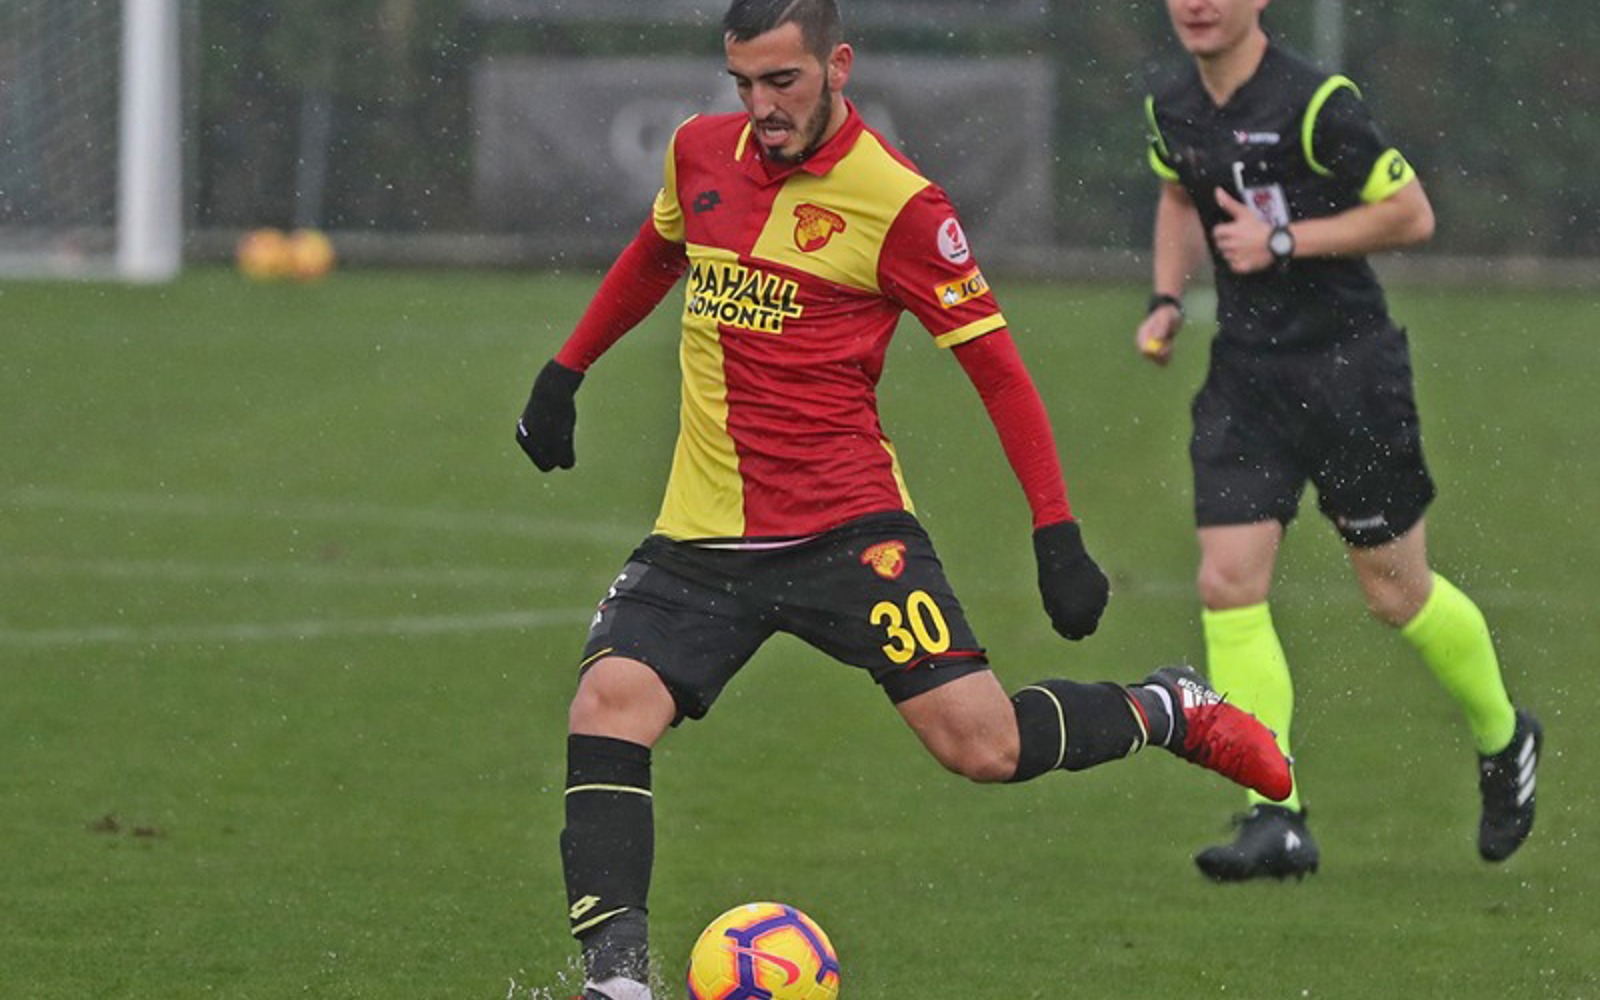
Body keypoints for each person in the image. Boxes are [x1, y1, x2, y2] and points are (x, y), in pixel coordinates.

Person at [517, 2, 1289, 996]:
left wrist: (1055, 530)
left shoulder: (899, 204)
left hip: (849, 530)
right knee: (607, 703)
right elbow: (657, 251)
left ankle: (1164, 708)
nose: (761, 106)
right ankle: (618, 980)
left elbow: (998, 372)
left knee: (983, 745)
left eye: (783, 82)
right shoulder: (697, 153)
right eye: (744, 84)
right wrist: (567, 368)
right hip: (702, 535)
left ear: (837, 64)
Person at [1134, 0, 1542, 882]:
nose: (1197, 4)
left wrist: (1286, 238)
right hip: (1247, 377)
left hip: (1349, 373)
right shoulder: (1173, 107)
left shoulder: (1318, 104)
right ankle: (1274, 814)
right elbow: (1176, 196)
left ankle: (1505, 738)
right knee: (1227, 581)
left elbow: (1410, 214)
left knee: (1395, 591)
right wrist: (1166, 298)